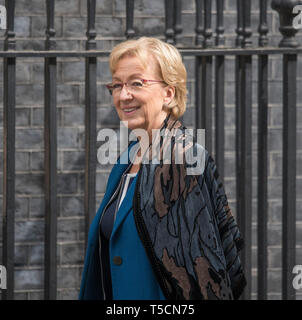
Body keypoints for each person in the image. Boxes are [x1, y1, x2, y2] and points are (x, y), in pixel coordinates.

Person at [79, 37, 246, 300]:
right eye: (117, 85)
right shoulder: (127, 160)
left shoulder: (181, 159)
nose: (124, 95)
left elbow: (203, 272)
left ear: (168, 93)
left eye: (137, 83)